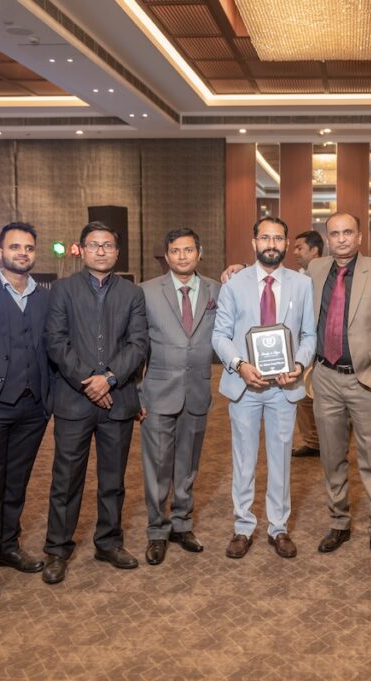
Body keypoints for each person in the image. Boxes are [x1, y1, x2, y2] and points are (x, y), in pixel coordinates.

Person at [41, 222, 149, 584]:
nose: (101, 251)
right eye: (94, 245)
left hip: (118, 401)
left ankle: (108, 542)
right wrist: (89, 380)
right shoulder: (62, 289)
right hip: (74, 401)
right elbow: (56, 341)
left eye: (108, 245)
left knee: (113, 480)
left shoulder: (133, 294)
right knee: (66, 480)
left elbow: (138, 343)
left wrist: (110, 379)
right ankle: (57, 550)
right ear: (81, 250)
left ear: (117, 252)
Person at [212, 216, 316, 559]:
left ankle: (278, 527)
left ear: (286, 243)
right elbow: (220, 335)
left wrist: (298, 365)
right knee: (244, 460)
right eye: (265, 238)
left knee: (281, 459)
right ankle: (243, 527)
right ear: (254, 242)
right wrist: (240, 365)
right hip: (245, 386)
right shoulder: (233, 284)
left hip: (283, 388)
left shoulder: (302, 285)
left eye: (278, 238)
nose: (272, 244)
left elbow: (309, 335)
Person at [307, 212, 371, 565]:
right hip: (325, 377)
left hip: (366, 379)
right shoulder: (315, 269)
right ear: (327, 238)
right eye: (335, 233)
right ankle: (339, 522)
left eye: (348, 232)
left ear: (360, 237)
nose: (342, 239)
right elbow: (283, 286)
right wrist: (238, 269)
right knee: (332, 457)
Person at [0, 222, 54, 599]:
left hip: (33, 406)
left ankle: (7, 544)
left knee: (17, 480)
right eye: (15, 247)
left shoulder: (46, 298)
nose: (23, 253)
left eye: (29, 248)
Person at [138, 228, 220, 565]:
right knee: (157, 466)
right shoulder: (145, 292)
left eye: (188, 250)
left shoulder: (217, 289)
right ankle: (157, 530)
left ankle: (182, 523)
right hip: (157, 392)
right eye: (175, 251)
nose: (182, 256)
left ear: (199, 253)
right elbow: (136, 346)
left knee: (188, 465)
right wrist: (136, 393)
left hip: (197, 390)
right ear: (167, 255)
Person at [292, 229, 324, 458]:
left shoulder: (324, 274)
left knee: (319, 397)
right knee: (303, 396)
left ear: (314, 251)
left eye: (299, 248)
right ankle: (313, 441)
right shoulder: (299, 276)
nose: (295, 252)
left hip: (322, 347)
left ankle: (326, 442)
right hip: (301, 346)